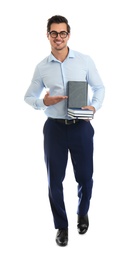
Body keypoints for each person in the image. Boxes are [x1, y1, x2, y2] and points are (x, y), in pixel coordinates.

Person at [24, 15, 105, 247]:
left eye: (62, 33)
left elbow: (99, 87)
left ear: (68, 34)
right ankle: (61, 226)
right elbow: (28, 97)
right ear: (47, 35)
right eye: (53, 33)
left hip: (81, 126)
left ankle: (82, 212)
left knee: (85, 177)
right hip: (54, 131)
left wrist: (94, 106)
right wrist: (44, 103)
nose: (58, 37)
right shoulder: (41, 67)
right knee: (54, 181)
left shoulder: (84, 61)